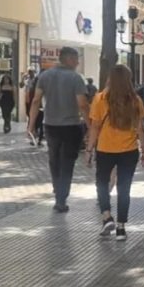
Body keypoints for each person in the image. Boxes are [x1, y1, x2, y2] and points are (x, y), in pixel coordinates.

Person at [86, 64, 144, 241]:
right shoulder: (135, 100)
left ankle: (106, 216)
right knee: (124, 188)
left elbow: (95, 127)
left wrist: (89, 150)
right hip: (129, 150)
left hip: (105, 149)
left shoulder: (100, 99)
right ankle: (121, 228)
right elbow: (140, 129)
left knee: (101, 183)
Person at [28, 47, 89, 213]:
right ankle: (62, 197)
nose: (77, 63)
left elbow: (36, 100)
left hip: (50, 125)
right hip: (71, 126)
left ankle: (58, 191)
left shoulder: (45, 76)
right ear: (68, 59)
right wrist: (90, 126)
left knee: (54, 159)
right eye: (76, 59)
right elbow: (82, 104)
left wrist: (31, 125)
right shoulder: (76, 78)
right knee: (67, 162)